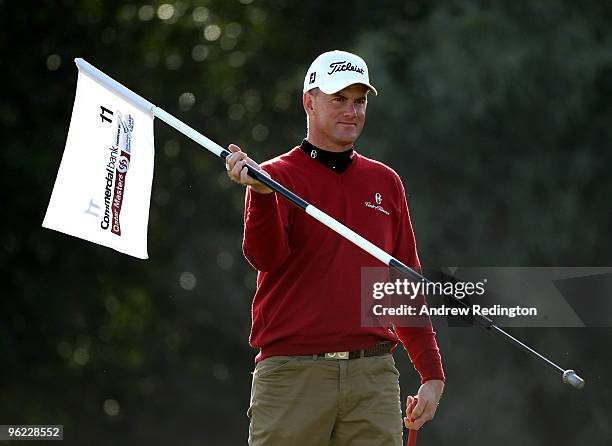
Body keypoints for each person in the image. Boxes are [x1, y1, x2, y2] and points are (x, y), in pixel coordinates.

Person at [226, 50, 444, 446]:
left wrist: (430, 374)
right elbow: (265, 257)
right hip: (293, 375)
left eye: (358, 100)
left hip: (372, 376)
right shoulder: (274, 177)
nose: (351, 111)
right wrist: (260, 196)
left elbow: (402, 283)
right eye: (338, 99)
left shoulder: (385, 182)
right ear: (309, 101)